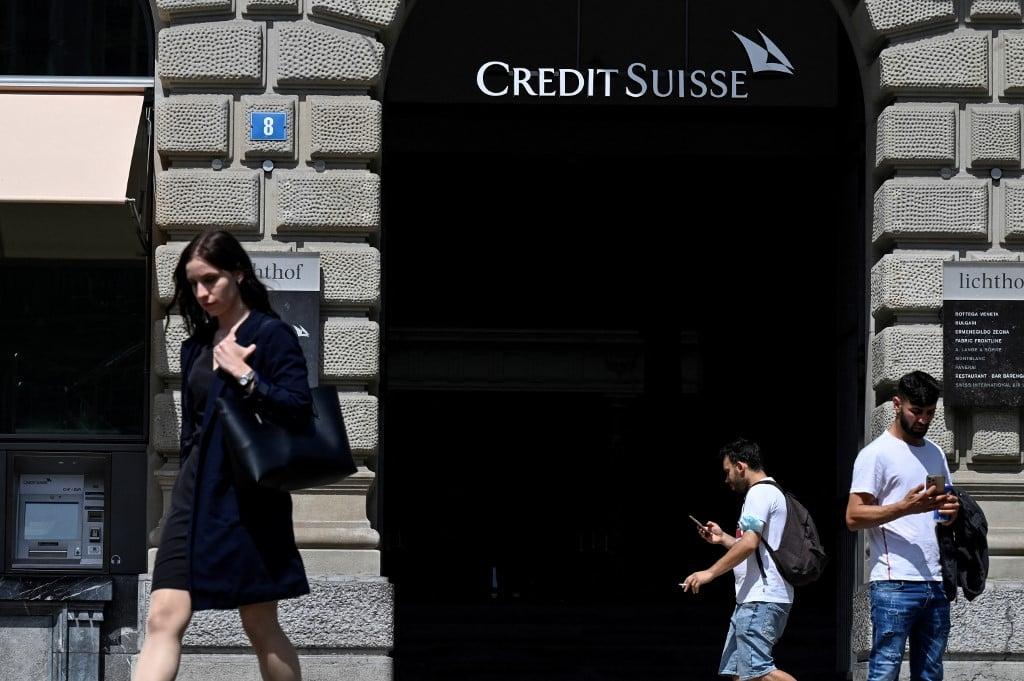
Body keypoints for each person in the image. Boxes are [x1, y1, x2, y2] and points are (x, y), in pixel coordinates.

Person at [134, 229, 313, 681]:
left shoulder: (270, 335)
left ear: (238, 274)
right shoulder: (195, 346)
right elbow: (193, 431)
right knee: (162, 616)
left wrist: (246, 376)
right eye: (193, 283)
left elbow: (298, 410)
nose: (201, 292)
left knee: (259, 623)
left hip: (249, 495)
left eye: (210, 279)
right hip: (195, 494)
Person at [846, 370, 960, 681]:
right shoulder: (875, 454)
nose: (923, 419)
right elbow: (853, 517)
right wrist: (904, 507)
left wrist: (950, 511)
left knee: (931, 674)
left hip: (935, 581)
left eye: (930, 413)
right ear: (897, 404)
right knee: (885, 672)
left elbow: (941, 511)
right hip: (894, 581)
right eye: (916, 411)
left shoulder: (935, 452)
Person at [681, 438, 797, 681]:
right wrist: (722, 538)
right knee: (738, 674)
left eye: (727, 471)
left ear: (740, 466)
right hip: (752, 599)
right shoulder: (770, 492)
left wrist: (709, 573)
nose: (726, 479)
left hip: (760, 598)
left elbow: (749, 543)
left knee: (758, 672)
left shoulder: (759, 493)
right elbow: (754, 546)